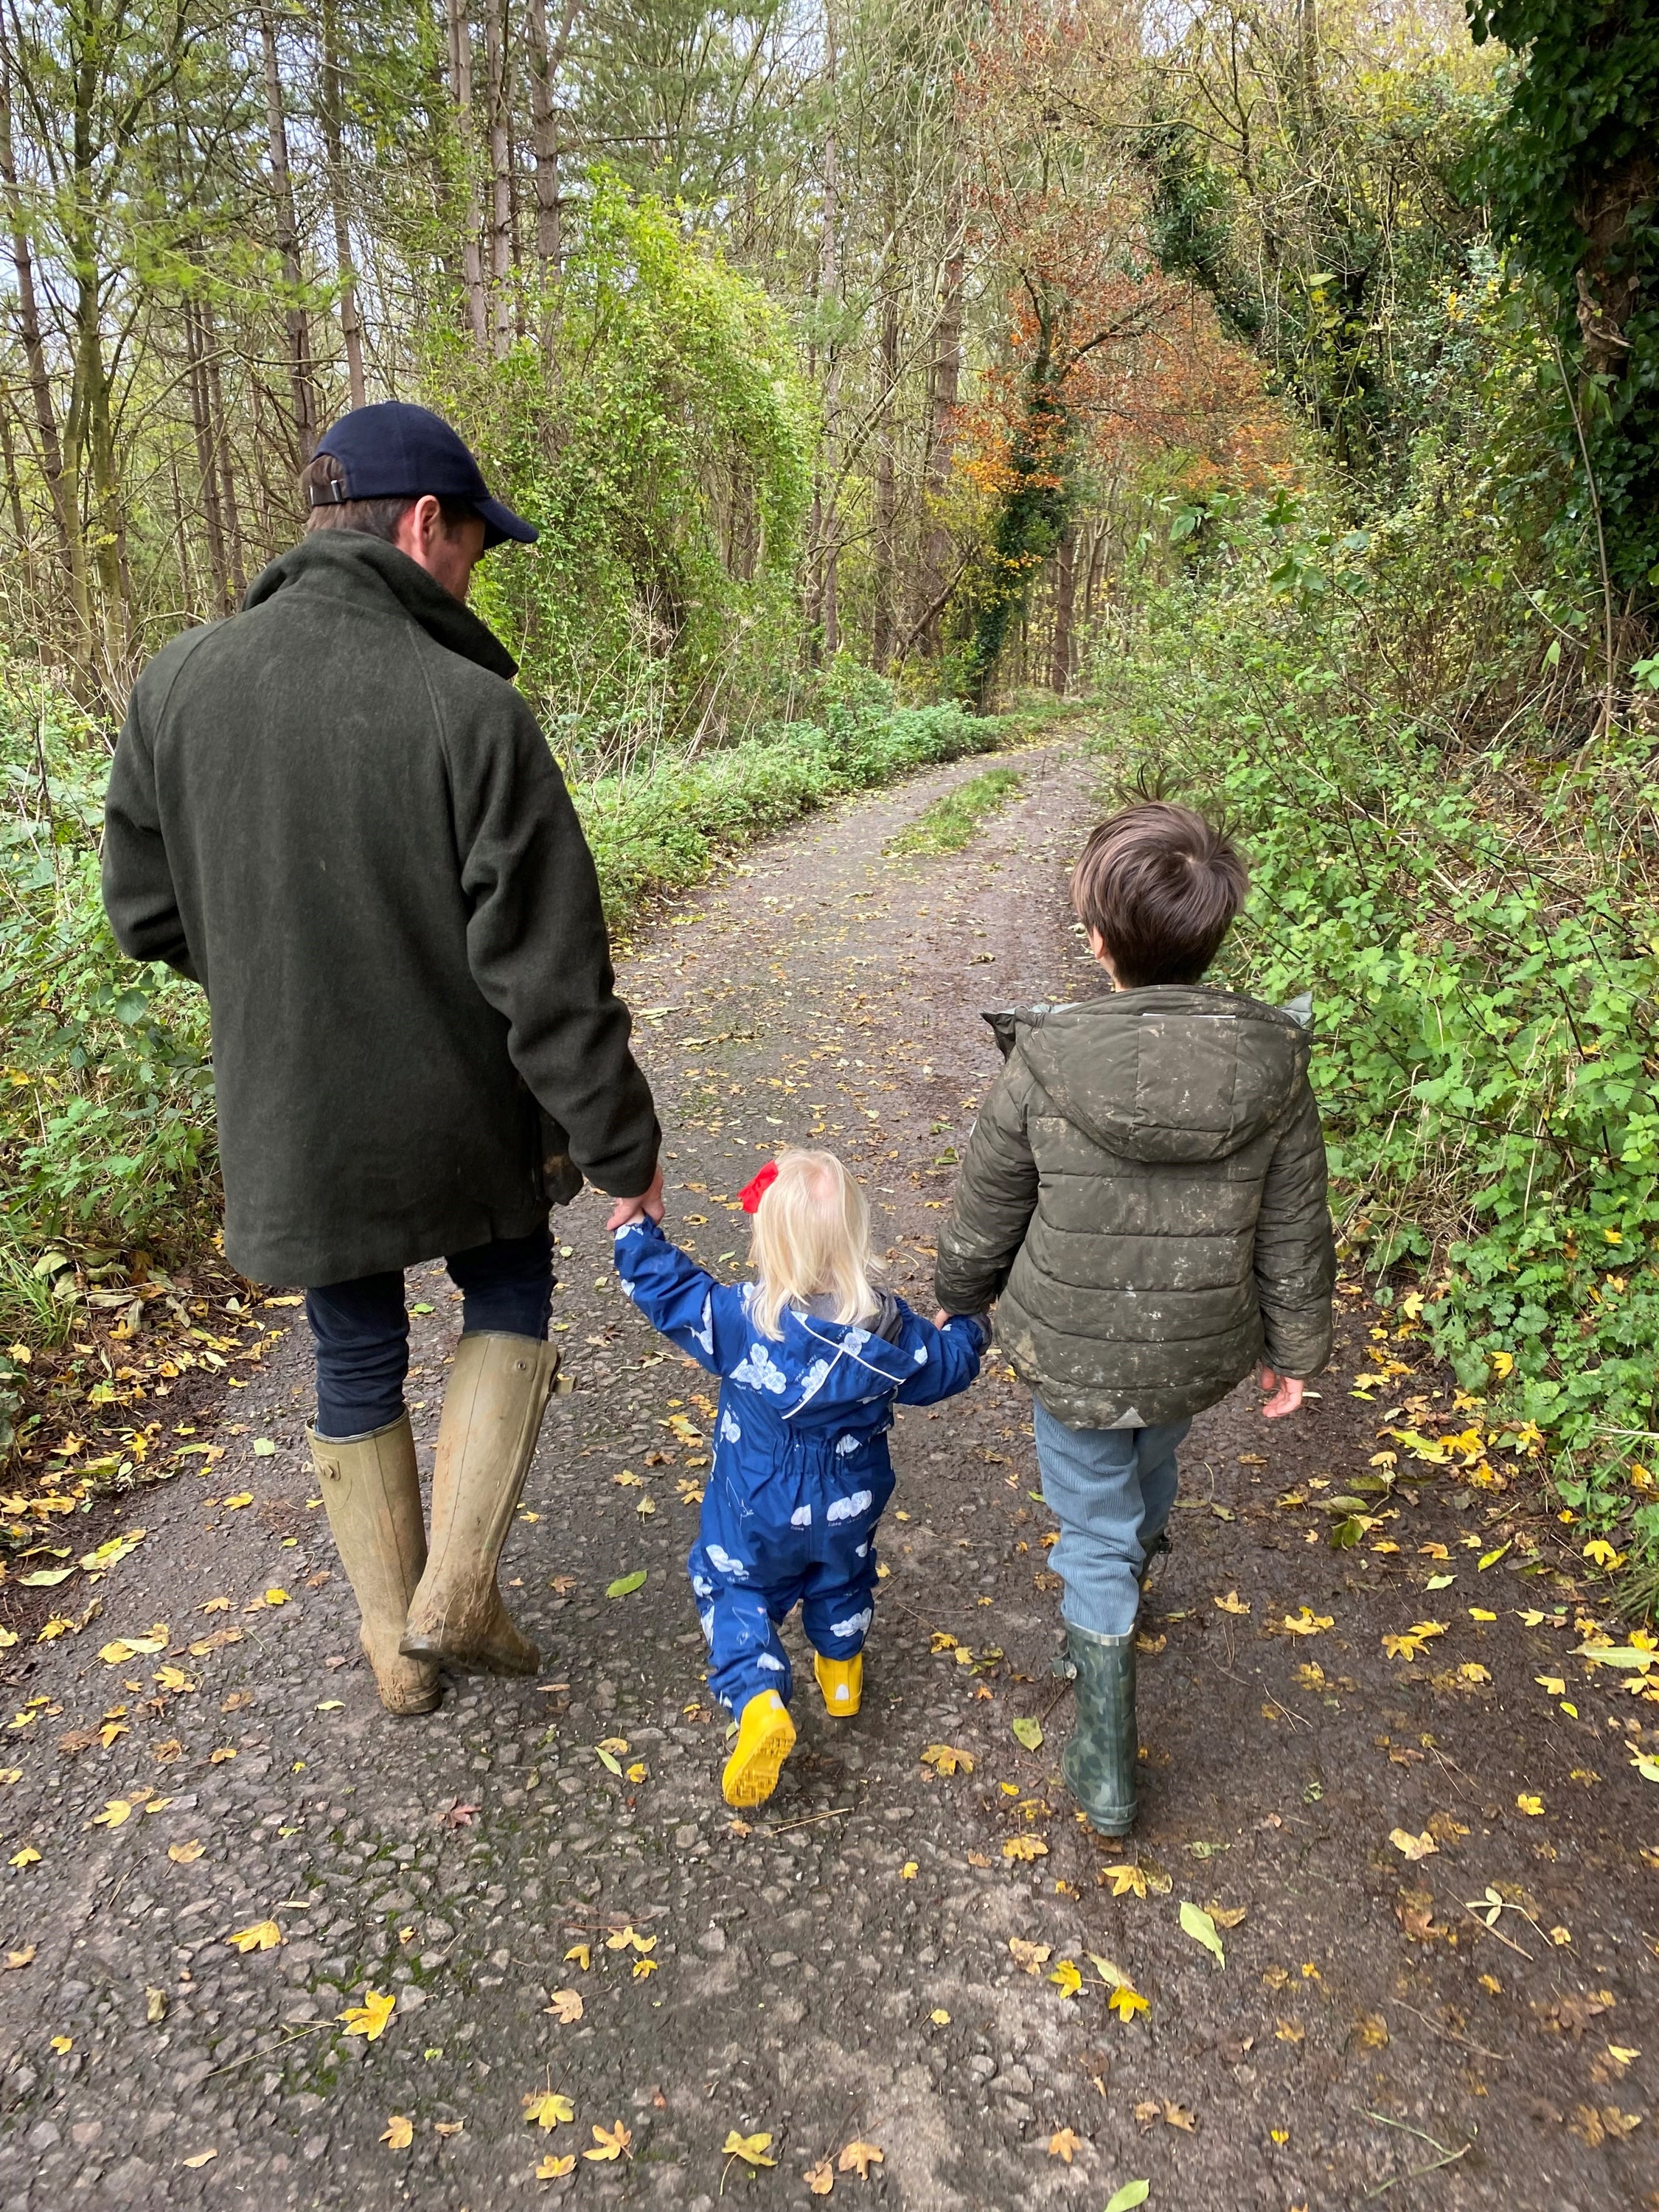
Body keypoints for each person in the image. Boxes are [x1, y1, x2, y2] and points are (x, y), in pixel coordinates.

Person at [102, 402, 661, 1717]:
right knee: (509, 1284)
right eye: (474, 546)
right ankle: (459, 1586)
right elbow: (550, 972)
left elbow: (143, 912)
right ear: (423, 525)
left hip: (292, 1106)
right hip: (464, 1105)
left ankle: (391, 1650)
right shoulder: (470, 711)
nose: (473, 573)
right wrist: (619, 1146)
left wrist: (271, 976)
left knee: (351, 1347)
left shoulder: (174, 684)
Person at [934, 801, 1334, 1834]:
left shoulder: (1047, 1058)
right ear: (1213, 936)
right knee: (1149, 1460)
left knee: (1092, 1524)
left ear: (1098, 940)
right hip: (1194, 1344)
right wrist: (1294, 1347)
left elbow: (988, 1201)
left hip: (1071, 1351)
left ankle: (1105, 1756)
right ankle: (1131, 1568)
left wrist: (958, 1299)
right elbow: (1293, 1220)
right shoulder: (1273, 1064)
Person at [611, 1152, 987, 1807]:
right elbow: (948, 1366)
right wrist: (972, 1329)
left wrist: (634, 1233)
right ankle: (840, 1677)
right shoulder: (891, 1333)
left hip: (760, 1501)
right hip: (852, 1497)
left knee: (731, 1582)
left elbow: (670, 1293)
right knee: (842, 1575)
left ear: (768, 1242)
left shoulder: (740, 1320)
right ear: (855, 1238)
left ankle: (759, 1703)